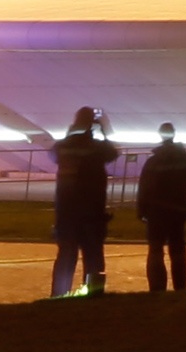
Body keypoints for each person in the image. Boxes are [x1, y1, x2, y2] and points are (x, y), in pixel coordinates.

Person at [48, 108, 115, 297]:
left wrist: (71, 133)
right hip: (92, 210)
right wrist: (104, 132)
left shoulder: (64, 146)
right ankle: (93, 294)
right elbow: (113, 153)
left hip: (67, 210)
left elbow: (53, 154)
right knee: (93, 256)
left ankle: (59, 294)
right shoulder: (97, 148)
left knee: (66, 255)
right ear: (91, 123)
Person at [137, 122, 186, 291]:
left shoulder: (153, 161)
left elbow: (145, 186)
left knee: (155, 251)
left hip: (156, 212)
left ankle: (157, 289)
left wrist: (141, 210)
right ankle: (180, 289)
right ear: (174, 134)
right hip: (178, 210)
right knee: (177, 251)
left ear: (160, 135)